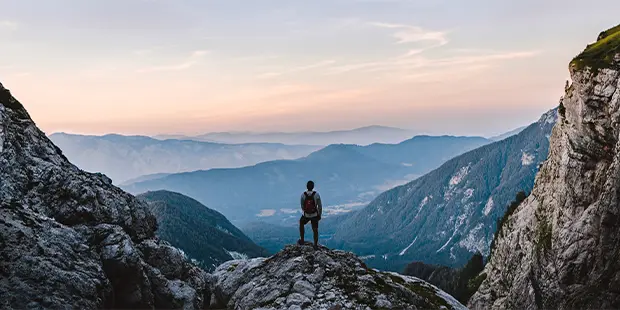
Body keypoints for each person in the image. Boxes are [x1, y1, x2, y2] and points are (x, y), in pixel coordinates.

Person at [298, 180, 322, 249]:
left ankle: (302, 240)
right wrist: (319, 215)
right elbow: (320, 206)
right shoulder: (316, 194)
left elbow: (302, 206)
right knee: (315, 229)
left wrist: (306, 212)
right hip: (314, 215)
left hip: (306, 215)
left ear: (307, 186)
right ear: (313, 187)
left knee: (301, 223)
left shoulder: (303, 195)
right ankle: (315, 244)